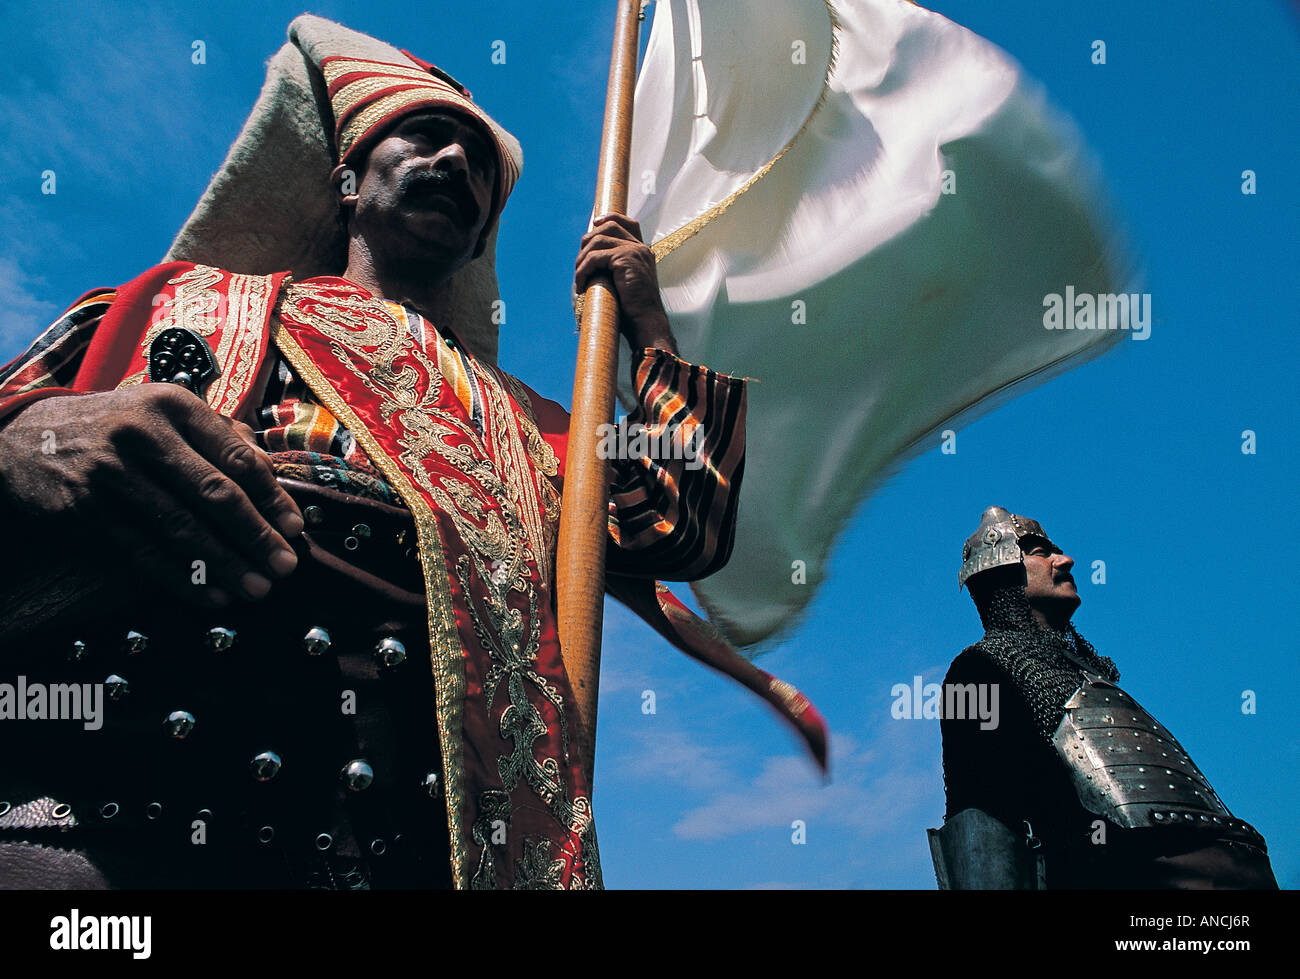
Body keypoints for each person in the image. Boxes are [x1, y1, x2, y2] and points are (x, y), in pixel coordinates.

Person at [0, 17, 824, 891]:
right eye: (428, 137)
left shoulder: (530, 424)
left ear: (477, 243)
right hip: (119, 840)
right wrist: (24, 444)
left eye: (479, 167)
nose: (458, 166)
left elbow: (675, 524)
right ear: (347, 183)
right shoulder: (184, 304)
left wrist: (646, 323)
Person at [930, 506, 1277, 889]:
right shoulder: (978, 671)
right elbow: (979, 816)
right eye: (1040, 551)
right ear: (1002, 568)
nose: (1065, 559)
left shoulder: (1090, 675)